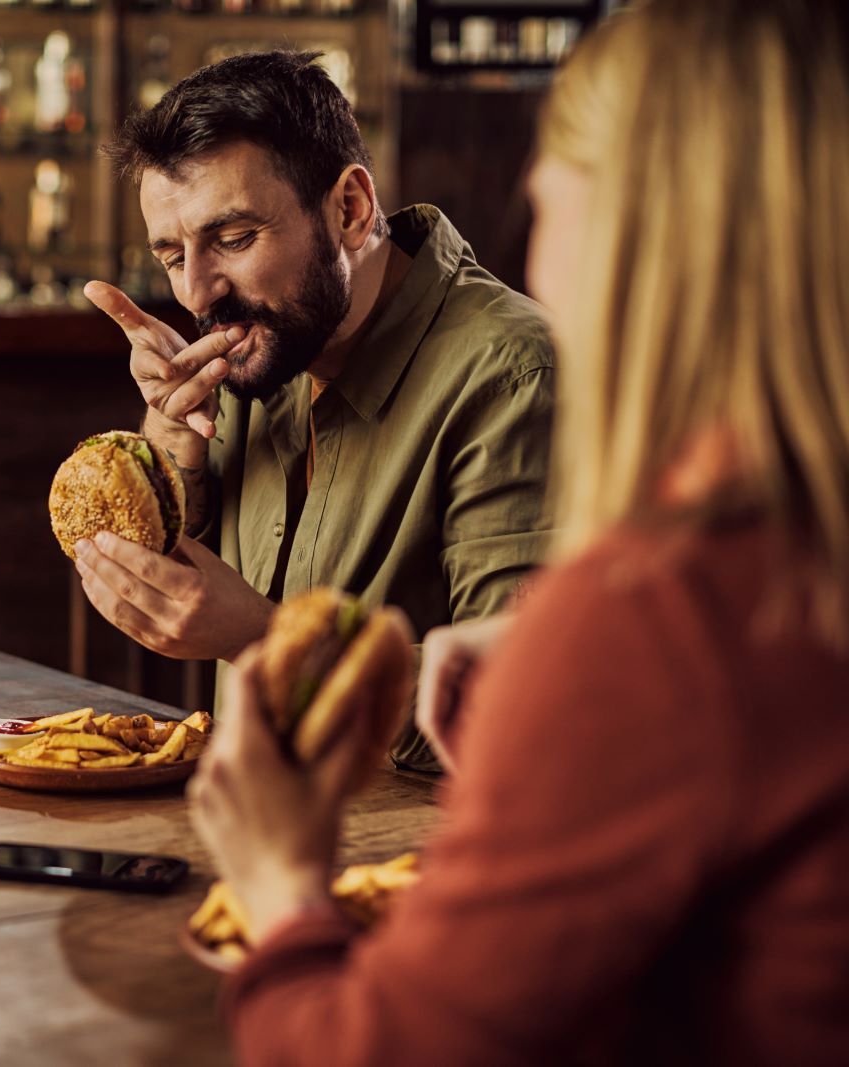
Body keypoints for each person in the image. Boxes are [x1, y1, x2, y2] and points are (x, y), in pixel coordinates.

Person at [190, 1, 849, 1062]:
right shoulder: (780, 560)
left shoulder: (670, 608)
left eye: (546, 204)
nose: (533, 261)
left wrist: (277, 884)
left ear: (645, 244)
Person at [76, 51, 555, 769]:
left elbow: (519, 710)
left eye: (233, 239)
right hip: (249, 838)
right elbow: (191, 559)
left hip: (414, 866)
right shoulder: (267, 343)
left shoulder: (513, 373)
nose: (198, 294)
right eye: (173, 255)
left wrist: (264, 639)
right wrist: (173, 432)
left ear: (351, 209)